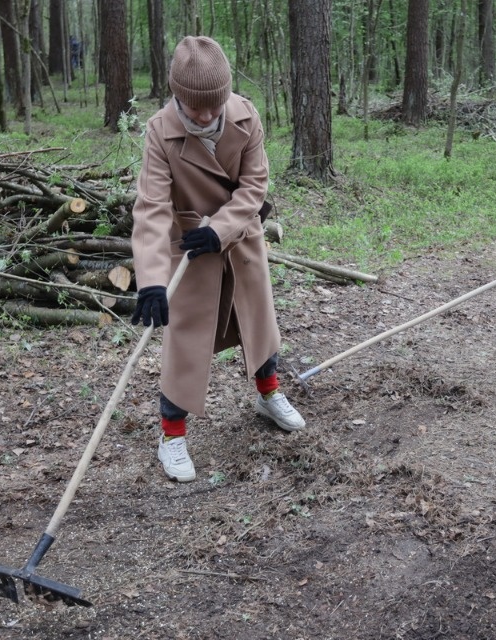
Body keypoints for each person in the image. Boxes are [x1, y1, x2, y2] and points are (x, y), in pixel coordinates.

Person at [130, 36, 305, 482]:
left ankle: (268, 396)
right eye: (195, 107)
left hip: (239, 238)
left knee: (258, 325)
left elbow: (254, 187)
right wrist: (150, 279)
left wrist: (221, 228)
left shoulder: (246, 116)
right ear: (177, 96)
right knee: (184, 345)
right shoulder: (159, 131)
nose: (206, 115)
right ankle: (171, 436)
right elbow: (151, 208)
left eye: (214, 104)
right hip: (189, 249)